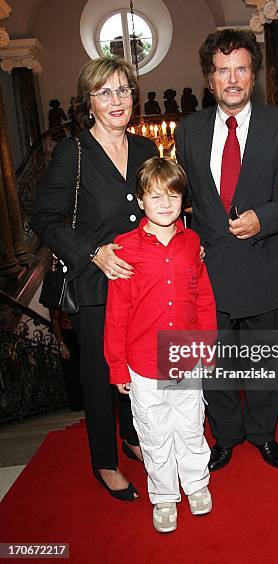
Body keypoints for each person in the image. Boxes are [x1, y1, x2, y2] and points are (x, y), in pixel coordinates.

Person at [175, 29, 278, 471]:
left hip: (266, 262)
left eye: (240, 69)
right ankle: (227, 436)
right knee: (214, 366)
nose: (231, 79)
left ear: (253, 76)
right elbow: (179, 199)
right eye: (222, 71)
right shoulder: (188, 131)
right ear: (209, 79)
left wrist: (264, 220)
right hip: (209, 271)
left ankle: (262, 434)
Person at [31, 57, 158, 500]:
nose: (116, 100)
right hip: (94, 286)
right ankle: (104, 461)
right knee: (100, 374)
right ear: (89, 102)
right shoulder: (74, 153)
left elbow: (157, 205)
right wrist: (92, 252)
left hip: (140, 284)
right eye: (105, 92)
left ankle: (133, 437)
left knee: (137, 369)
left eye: (123, 89)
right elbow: (44, 217)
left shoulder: (145, 150)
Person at [104, 157, 216, 533]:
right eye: (154, 196)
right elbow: (117, 313)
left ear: (183, 199)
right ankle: (165, 496)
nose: (165, 203)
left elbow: (203, 299)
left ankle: (197, 484)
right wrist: (117, 365)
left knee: (190, 425)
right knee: (154, 433)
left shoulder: (192, 243)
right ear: (140, 201)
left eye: (172, 195)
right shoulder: (124, 249)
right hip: (142, 361)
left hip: (184, 356)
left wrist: (207, 346)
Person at [49, 309, 83, 411]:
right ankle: (77, 404)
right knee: (72, 372)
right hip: (68, 336)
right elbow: (54, 320)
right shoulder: (58, 295)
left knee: (82, 371)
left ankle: (84, 402)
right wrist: (62, 344)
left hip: (78, 333)